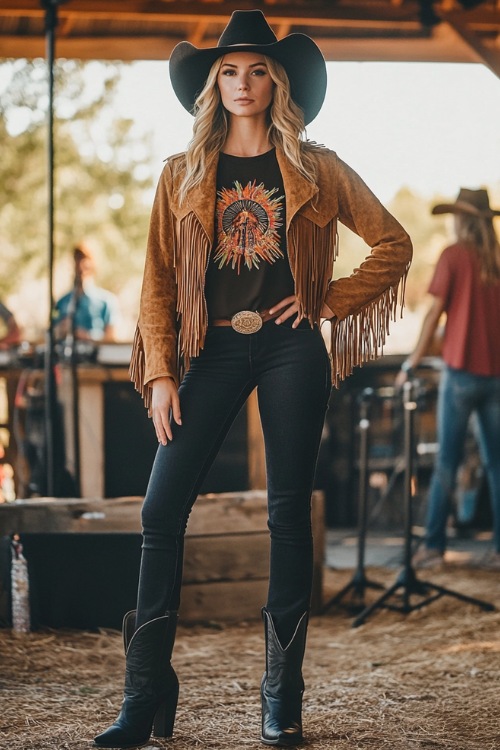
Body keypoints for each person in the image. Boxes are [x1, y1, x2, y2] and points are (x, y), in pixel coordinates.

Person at [94, 10, 412, 749]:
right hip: (207, 353)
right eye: (230, 71)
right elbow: (157, 284)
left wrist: (328, 299)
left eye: (259, 70)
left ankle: (281, 699)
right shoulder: (181, 174)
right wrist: (162, 373)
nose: (244, 84)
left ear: (279, 83)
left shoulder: (317, 167)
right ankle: (145, 695)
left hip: (288, 349)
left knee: (286, 514)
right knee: (159, 512)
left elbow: (393, 242)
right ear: (214, 85)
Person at [397, 188, 500, 571]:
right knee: (498, 466)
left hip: (460, 374)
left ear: (462, 219)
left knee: (446, 463)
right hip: (496, 377)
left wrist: (414, 360)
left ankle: (434, 548)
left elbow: (433, 315)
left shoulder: (454, 256)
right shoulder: (497, 260)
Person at [54, 242, 118, 343]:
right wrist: (61, 330)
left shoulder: (107, 301)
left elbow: (111, 338)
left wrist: (85, 336)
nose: (80, 265)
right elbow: (53, 332)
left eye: (84, 259)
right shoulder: (62, 302)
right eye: (77, 260)